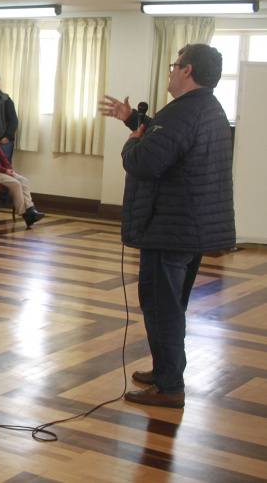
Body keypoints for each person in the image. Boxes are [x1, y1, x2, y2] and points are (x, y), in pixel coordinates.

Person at [99, 43, 235, 409]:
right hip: (189, 227)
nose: (171, 72)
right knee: (171, 304)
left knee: (161, 306)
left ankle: (170, 385)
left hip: (169, 228)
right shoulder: (206, 108)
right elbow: (168, 143)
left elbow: (144, 160)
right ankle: (165, 371)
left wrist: (130, 141)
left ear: (187, 70)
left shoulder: (182, 112)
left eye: (175, 65)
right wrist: (134, 120)